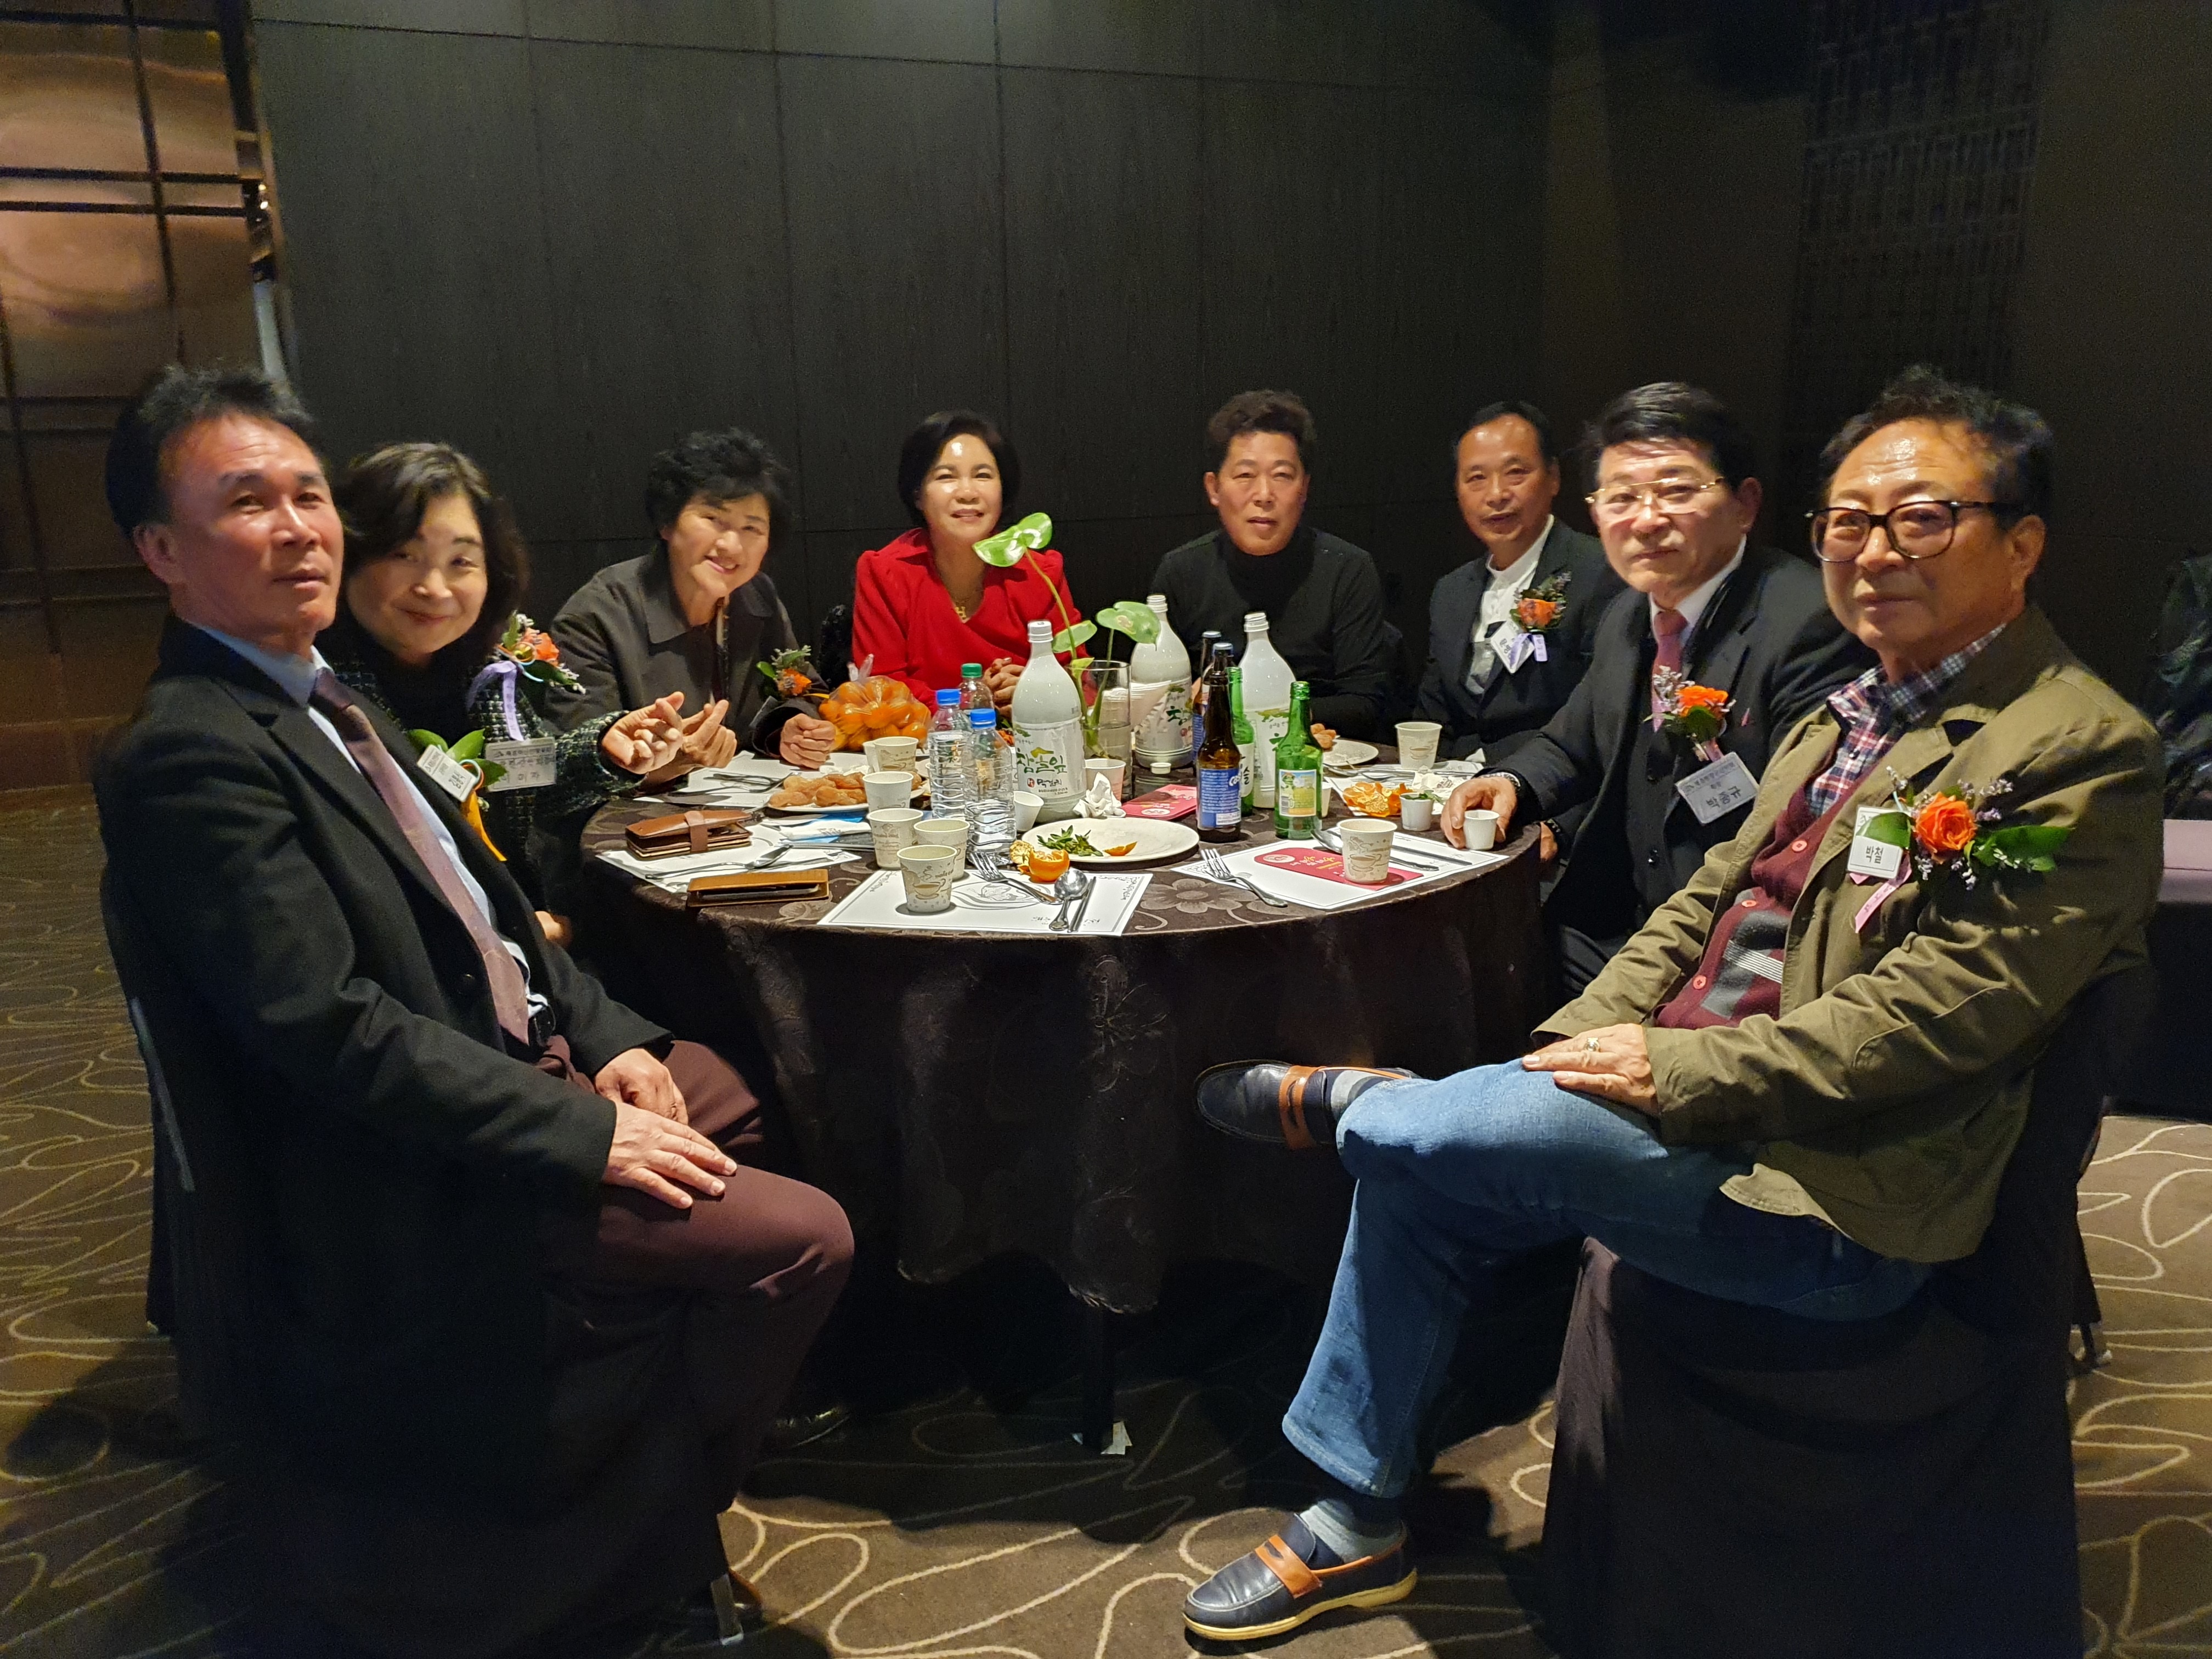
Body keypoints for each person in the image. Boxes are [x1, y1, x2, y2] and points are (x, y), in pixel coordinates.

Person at [1176, 367, 2162, 1643]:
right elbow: (1705, 898)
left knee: (1421, 1136)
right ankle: (1357, 1513)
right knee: (1431, 1157)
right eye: (1850, 521)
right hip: (1703, 1084)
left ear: (2020, 544)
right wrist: (1578, 1042)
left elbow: (1932, 1018)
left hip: (1824, 1181)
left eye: (1922, 519)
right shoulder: (1859, 710)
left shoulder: (2073, 749)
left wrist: (1672, 1073)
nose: (1874, 552)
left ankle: (1370, 1106)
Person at [95, 366, 853, 1655]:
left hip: (512, 1052)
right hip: (411, 1158)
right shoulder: (193, 749)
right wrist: (584, 1129)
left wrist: (607, 1042)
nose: (298, 530)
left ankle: (607, 1422)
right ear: (161, 549)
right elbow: (329, 1031)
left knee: (746, 1091)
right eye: (247, 504)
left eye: (308, 496)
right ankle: (636, 1529)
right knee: (808, 1243)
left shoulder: (323, 698)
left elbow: (489, 914)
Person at [1442, 382, 1873, 995]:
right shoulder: (1629, 614)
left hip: (1724, 942)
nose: (1646, 520)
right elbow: (1572, 743)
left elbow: (1794, 838)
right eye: (1621, 497)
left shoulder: (1805, 624)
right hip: (1611, 921)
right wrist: (1510, 782)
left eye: (1676, 491)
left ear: (1745, 504)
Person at [320, 441, 712, 938]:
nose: (435, 587)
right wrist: (505, 936)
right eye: (404, 555)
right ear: (348, 556)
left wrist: (604, 750)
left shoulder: (482, 674)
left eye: (462, 561)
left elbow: (526, 780)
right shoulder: (322, 697)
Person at [554, 427, 839, 769]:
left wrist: (787, 729)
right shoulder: (597, 616)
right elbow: (575, 758)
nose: (731, 546)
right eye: (714, 519)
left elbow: (806, 690)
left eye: (752, 528)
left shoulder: (757, 596)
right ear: (667, 523)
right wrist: (669, 762)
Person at [1412, 400, 1626, 855]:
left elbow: (1606, 730)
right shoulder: (1451, 591)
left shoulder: (1602, 573)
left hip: (1550, 808)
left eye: (1515, 473)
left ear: (1554, 478)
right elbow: (1433, 717)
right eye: (1476, 478)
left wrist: (1561, 827)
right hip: (1460, 806)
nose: (1496, 494)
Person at [1152, 390, 1393, 738]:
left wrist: (1244, 709)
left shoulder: (1347, 569)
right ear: (1214, 488)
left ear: (1304, 488)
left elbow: (1366, 703)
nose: (1264, 495)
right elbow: (1160, 701)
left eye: (1282, 475)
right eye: (1245, 476)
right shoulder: (1181, 573)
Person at [850, 409, 1082, 708]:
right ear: (918, 494)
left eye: (983, 475)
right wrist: (972, 700)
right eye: (946, 476)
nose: (968, 493)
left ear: (1003, 489)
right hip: (923, 735)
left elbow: (1081, 680)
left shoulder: (1040, 572)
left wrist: (1033, 689)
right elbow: (881, 687)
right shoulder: (884, 571)